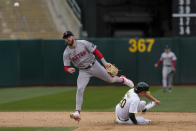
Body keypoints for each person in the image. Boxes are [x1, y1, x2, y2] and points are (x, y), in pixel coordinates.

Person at [62, 31, 134, 122]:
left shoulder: (83, 43)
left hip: (94, 65)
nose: (68, 38)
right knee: (80, 89)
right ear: (64, 40)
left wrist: (105, 63)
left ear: (73, 36)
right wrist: (68, 69)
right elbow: (66, 66)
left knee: (111, 80)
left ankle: (122, 80)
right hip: (83, 71)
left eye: (69, 36)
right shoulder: (66, 53)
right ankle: (77, 112)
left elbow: (96, 51)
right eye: (66, 37)